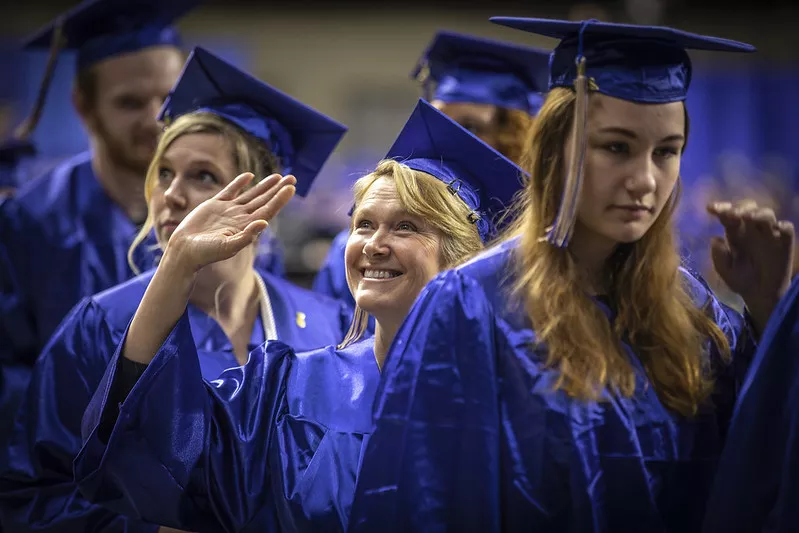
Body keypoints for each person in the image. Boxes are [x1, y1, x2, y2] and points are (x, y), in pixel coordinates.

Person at [347, 18, 794, 533]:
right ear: (555, 149)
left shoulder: (692, 312)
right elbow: (424, 502)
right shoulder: (471, 304)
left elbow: (755, 472)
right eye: (616, 147)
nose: (644, 180)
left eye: (666, 151)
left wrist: (767, 309)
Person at [71, 98, 526, 532]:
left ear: (462, 259)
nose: (374, 244)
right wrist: (177, 266)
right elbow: (161, 455)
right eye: (364, 224)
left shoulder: (519, 397)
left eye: (406, 226)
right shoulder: (288, 388)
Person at [0, 46, 350, 533]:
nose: (172, 195)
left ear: (266, 198)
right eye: (164, 173)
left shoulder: (325, 324)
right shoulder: (99, 324)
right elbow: (32, 497)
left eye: (203, 176)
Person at [0, 0, 203, 455]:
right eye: (130, 102)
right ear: (83, 107)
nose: (155, 119)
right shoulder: (27, 226)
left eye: (168, 99)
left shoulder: (211, 219)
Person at [312, 30, 549, 309]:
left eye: (471, 127)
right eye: (438, 117)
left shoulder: (534, 250)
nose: (445, 134)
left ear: (514, 137)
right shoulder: (354, 251)